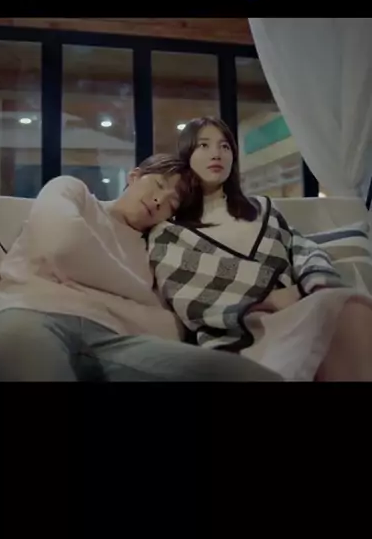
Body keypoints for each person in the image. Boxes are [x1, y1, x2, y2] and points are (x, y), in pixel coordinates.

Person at [0, 153, 281, 382]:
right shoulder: (73, 192)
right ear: (134, 176)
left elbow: (169, 327)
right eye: (158, 184)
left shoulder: (155, 247)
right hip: (31, 313)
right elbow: (64, 246)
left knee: (250, 376)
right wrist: (138, 298)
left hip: (115, 340)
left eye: (172, 204)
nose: (160, 200)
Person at [147, 117, 372, 382]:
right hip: (236, 340)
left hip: (301, 314)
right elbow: (189, 298)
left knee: (348, 306)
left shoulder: (264, 211)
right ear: (187, 155)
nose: (216, 154)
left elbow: (304, 250)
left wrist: (315, 286)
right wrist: (270, 300)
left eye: (224, 146)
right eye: (204, 145)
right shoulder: (170, 232)